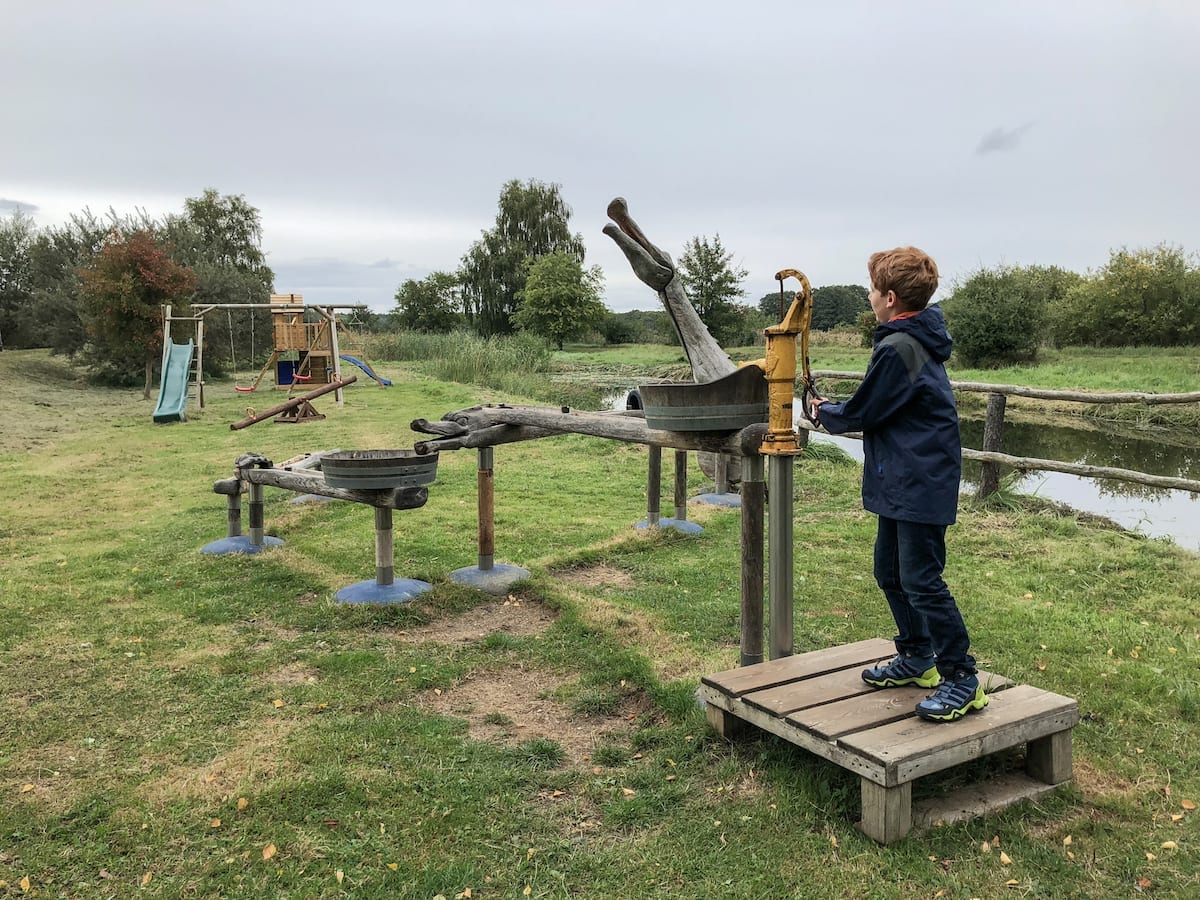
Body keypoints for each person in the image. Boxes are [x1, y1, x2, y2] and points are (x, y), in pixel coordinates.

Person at [810, 246, 985, 723]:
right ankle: (916, 657)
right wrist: (836, 407)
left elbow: (863, 413)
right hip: (903, 478)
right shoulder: (906, 341)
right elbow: (879, 403)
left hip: (919, 481)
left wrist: (820, 411)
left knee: (923, 582)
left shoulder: (899, 347)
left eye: (871, 289)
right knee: (889, 572)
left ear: (888, 298)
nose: (868, 296)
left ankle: (962, 679)